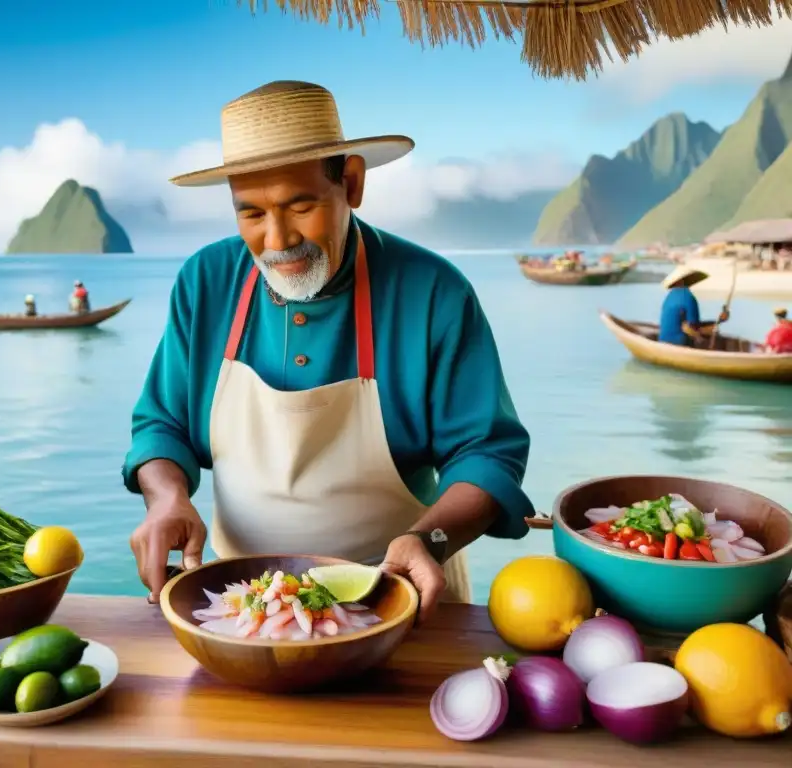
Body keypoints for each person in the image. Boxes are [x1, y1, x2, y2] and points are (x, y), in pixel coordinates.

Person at [123, 80, 533, 623]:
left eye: (301, 205)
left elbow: (487, 452)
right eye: (251, 214)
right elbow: (162, 424)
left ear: (353, 184)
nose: (277, 239)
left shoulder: (433, 290)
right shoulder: (206, 281)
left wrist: (430, 539)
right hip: (245, 607)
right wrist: (167, 498)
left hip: (399, 596)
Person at [658, 266, 728, 346]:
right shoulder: (688, 297)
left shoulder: (669, 296)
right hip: (679, 342)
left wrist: (719, 321)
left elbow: (691, 324)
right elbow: (693, 326)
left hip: (663, 340)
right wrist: (716, 324)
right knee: (710, 333)